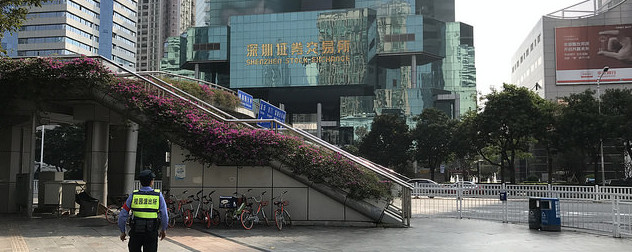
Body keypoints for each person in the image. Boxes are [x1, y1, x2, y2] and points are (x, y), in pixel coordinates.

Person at [118, 170, 169, 252]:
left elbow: (122, 215)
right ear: (151, 182)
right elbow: (164, 215)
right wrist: (163, 229)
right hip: (151, 232)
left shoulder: (133, 195)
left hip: (136, 232)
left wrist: (123, 231)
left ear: (140, 182)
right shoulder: (158, 195)